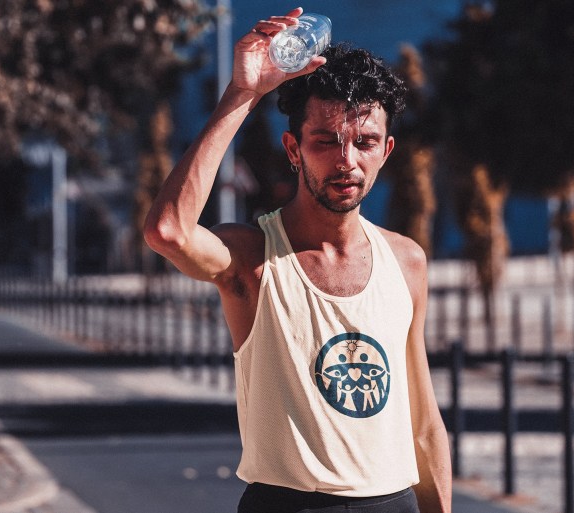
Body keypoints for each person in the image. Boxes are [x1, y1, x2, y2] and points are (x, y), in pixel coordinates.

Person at [144, 8, 452, 512]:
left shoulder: (407, 260)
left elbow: (423, 424)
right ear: (293, 148)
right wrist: (244, 94)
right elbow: (169, 231)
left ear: (386, 150)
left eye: (365, 142)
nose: (346, 160)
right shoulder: (251, 257)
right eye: (326, 141)